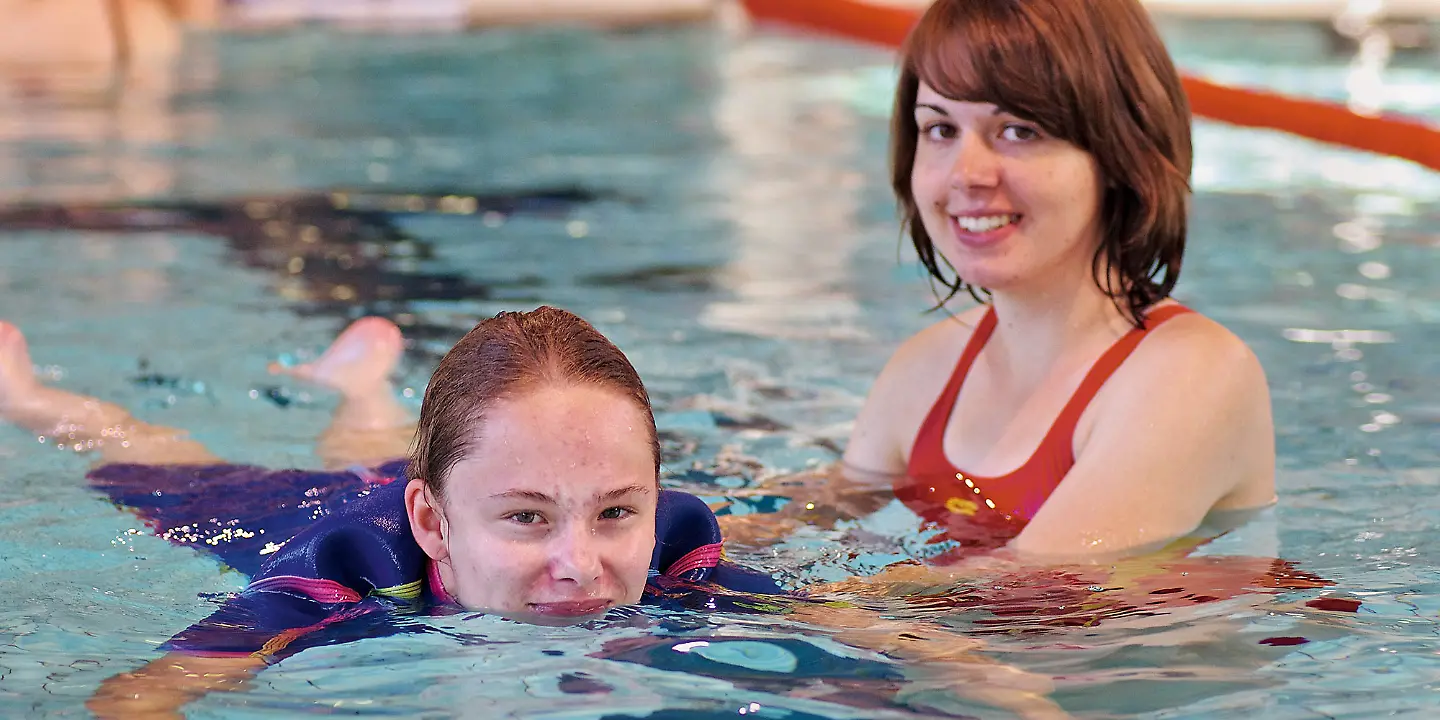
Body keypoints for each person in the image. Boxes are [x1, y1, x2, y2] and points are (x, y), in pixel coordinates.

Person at [0, 310, 1064, 719]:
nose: (580, 567)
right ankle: (33, 394)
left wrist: (1019, 698)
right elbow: (147, 695)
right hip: (318, 508)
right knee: (150, 461)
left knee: (389, 438)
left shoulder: (677, 557)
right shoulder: (338, 570)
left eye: (615, 512)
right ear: (434, 524)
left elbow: (869, 631)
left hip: (445, 462)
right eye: (525, 522)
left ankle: (364, 386)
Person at [725, 0, 1277, 571]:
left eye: (1018, 129)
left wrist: (782, 605)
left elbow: (1029, 591)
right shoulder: (927, 368)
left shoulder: (1194, 374)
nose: (967, 173)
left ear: (1120, 152)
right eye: (940, 128)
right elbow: (819, 513)